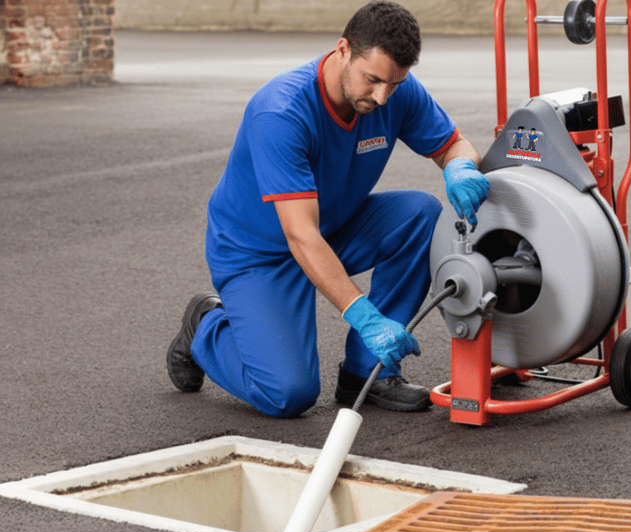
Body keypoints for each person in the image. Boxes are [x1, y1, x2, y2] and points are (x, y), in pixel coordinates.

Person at [166, 0, 489, 418]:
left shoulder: (395, 90)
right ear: (343, 50)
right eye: (372, 80)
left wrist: (461, 168)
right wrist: (367, 319)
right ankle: (206, 325)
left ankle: (366, 372)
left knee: (421, 215)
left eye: (393, 84)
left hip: (333, 226)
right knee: (287, 394)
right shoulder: (280, 112)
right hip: (259, 253)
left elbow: (453, 145)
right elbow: (301, 236)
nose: (382, 96)